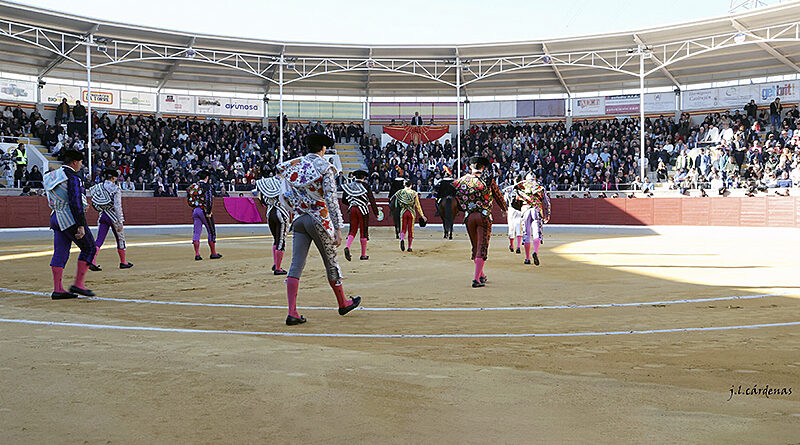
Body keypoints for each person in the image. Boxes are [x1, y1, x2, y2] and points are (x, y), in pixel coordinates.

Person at [279, 133, 360, 325]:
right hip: (319, 220)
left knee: (296, 265)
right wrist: (339, 228)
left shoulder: (294, 166)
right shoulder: (325, 167)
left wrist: (297, 209)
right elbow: (331, 200)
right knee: (331, 262)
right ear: (322, 148)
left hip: (299, 219)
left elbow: (285, 195)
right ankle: (342, 303)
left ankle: (292, 312)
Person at [43, 149, 97, 299]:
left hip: (55, 216)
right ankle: (78, 284)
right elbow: (75, 201)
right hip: (69, 218)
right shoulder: (73, 177)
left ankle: (58, 289)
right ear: (74, 162)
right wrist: (80, 224)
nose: (81, 164)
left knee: (60, 252)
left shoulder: (51, 175)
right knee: (89, 248)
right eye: (80, 162)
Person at [454, 156, 507, 288]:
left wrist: (464, 207)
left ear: (470, 167)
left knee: (475, 246)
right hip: (483, 217)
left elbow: (455, 197)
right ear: (482, 168)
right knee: (482, 247)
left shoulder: (461, 181)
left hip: (469, 217)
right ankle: (476, 279)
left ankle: (481, 274)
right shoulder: (488, 180)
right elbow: (498, 196)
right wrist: (504, 209)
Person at [88, 168, 133, 271]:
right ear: (113, 178)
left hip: (103, 215)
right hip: (113, 217)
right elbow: (117, 206)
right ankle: (123, 262)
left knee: (99, 240)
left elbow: (94, 202)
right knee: (120, 239)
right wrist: (120, 221)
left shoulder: (97, 187)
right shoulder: (116, 189)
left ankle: (92, 261)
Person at [255, 175, 292, 275]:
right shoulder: (283, 184)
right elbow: (289, 199)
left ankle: (276, 264)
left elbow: (262, 199)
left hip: (269, 213)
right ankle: (278, 268)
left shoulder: (266, 183)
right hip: (281, 213)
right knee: (281, 240)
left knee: (276, 239)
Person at [341, 169, 379, 261]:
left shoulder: (349, 186)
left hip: (352, 209)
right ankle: (363, 254)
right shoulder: (366, 186)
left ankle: (347, 246)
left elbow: (343, 200)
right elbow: (372, 200)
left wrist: (352, 203)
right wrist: (376, 212)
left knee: (352, 230)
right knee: (363, 231)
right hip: (363, 210)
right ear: (364, 177)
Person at [515, 174, 551, 265]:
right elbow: (547, 203)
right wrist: (547, 215)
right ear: (535, 179)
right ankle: (535, 251)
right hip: (536, 210)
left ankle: (527, 258)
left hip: (525, 210)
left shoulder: (521, 187)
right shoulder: (540, 188)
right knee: (536, 233)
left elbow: (515, 200)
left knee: (526, 233)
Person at [187, 170, 221, 260]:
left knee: (196, 232)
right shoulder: (207, 186)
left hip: (195, 210)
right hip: (204, 211)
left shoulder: (193, 186)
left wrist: (194, 206)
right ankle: (213, 253)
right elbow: (209, 199)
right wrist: (208, 211)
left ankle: (197, 254)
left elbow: (189, 200)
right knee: (211, 231)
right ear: (207, 177)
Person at [395, 180, 427, 252]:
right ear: (411, 185)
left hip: (403, 211)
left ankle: (402, 239)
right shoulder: (414, 193)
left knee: (403, 228)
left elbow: (396, 202)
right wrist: (422, 215)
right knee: (410, 230)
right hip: (411, 212)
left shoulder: (400, 192)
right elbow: (418, 206)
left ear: (405, 185)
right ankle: (409, 247)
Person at [503, 179, 523, 254]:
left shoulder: (509, 189)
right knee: (519, 227)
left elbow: (505, 200)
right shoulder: (523, 189)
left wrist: (504, 210)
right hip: (520, 210)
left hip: (511, 209)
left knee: (511, 227)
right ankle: (518, 246)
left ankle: (511, 245)